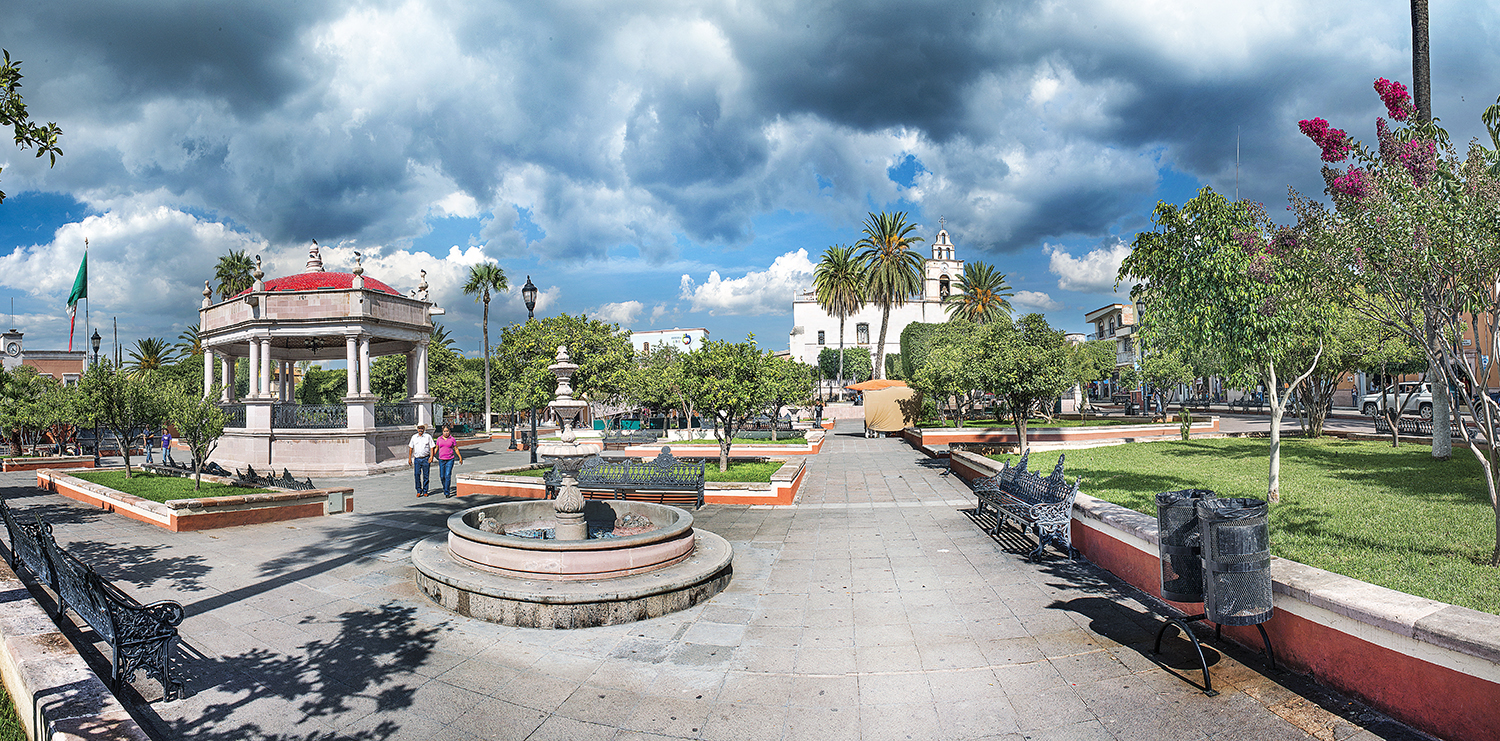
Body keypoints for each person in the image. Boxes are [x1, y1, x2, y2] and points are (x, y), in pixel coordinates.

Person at [435, 425, 464, 498]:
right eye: (444, 431)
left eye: (447, 431)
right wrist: (431, 456)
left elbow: (456, 448)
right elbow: (436, 448)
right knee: (442, 476)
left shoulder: (452, 439)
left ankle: (447, 492)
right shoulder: (439, 439)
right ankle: (445, 487)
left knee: (447, 475)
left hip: (450, 459)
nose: (446, 433)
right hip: (441, 459)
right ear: (442, 432)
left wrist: (460, 457)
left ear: (449, 431)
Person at [407, 424, 434, 497]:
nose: (420, 430)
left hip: (425, 458)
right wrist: (409, 458)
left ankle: (425, 490)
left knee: (426, 475)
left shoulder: (428, 437)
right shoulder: (414, 437)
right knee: (416, 474)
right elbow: (411, 448)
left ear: (424, 429)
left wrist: (431, 456)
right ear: (417, 429)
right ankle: (419, 490)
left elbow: (432, 447)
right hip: (417, 459)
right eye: (419, 428)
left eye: (422, 428)